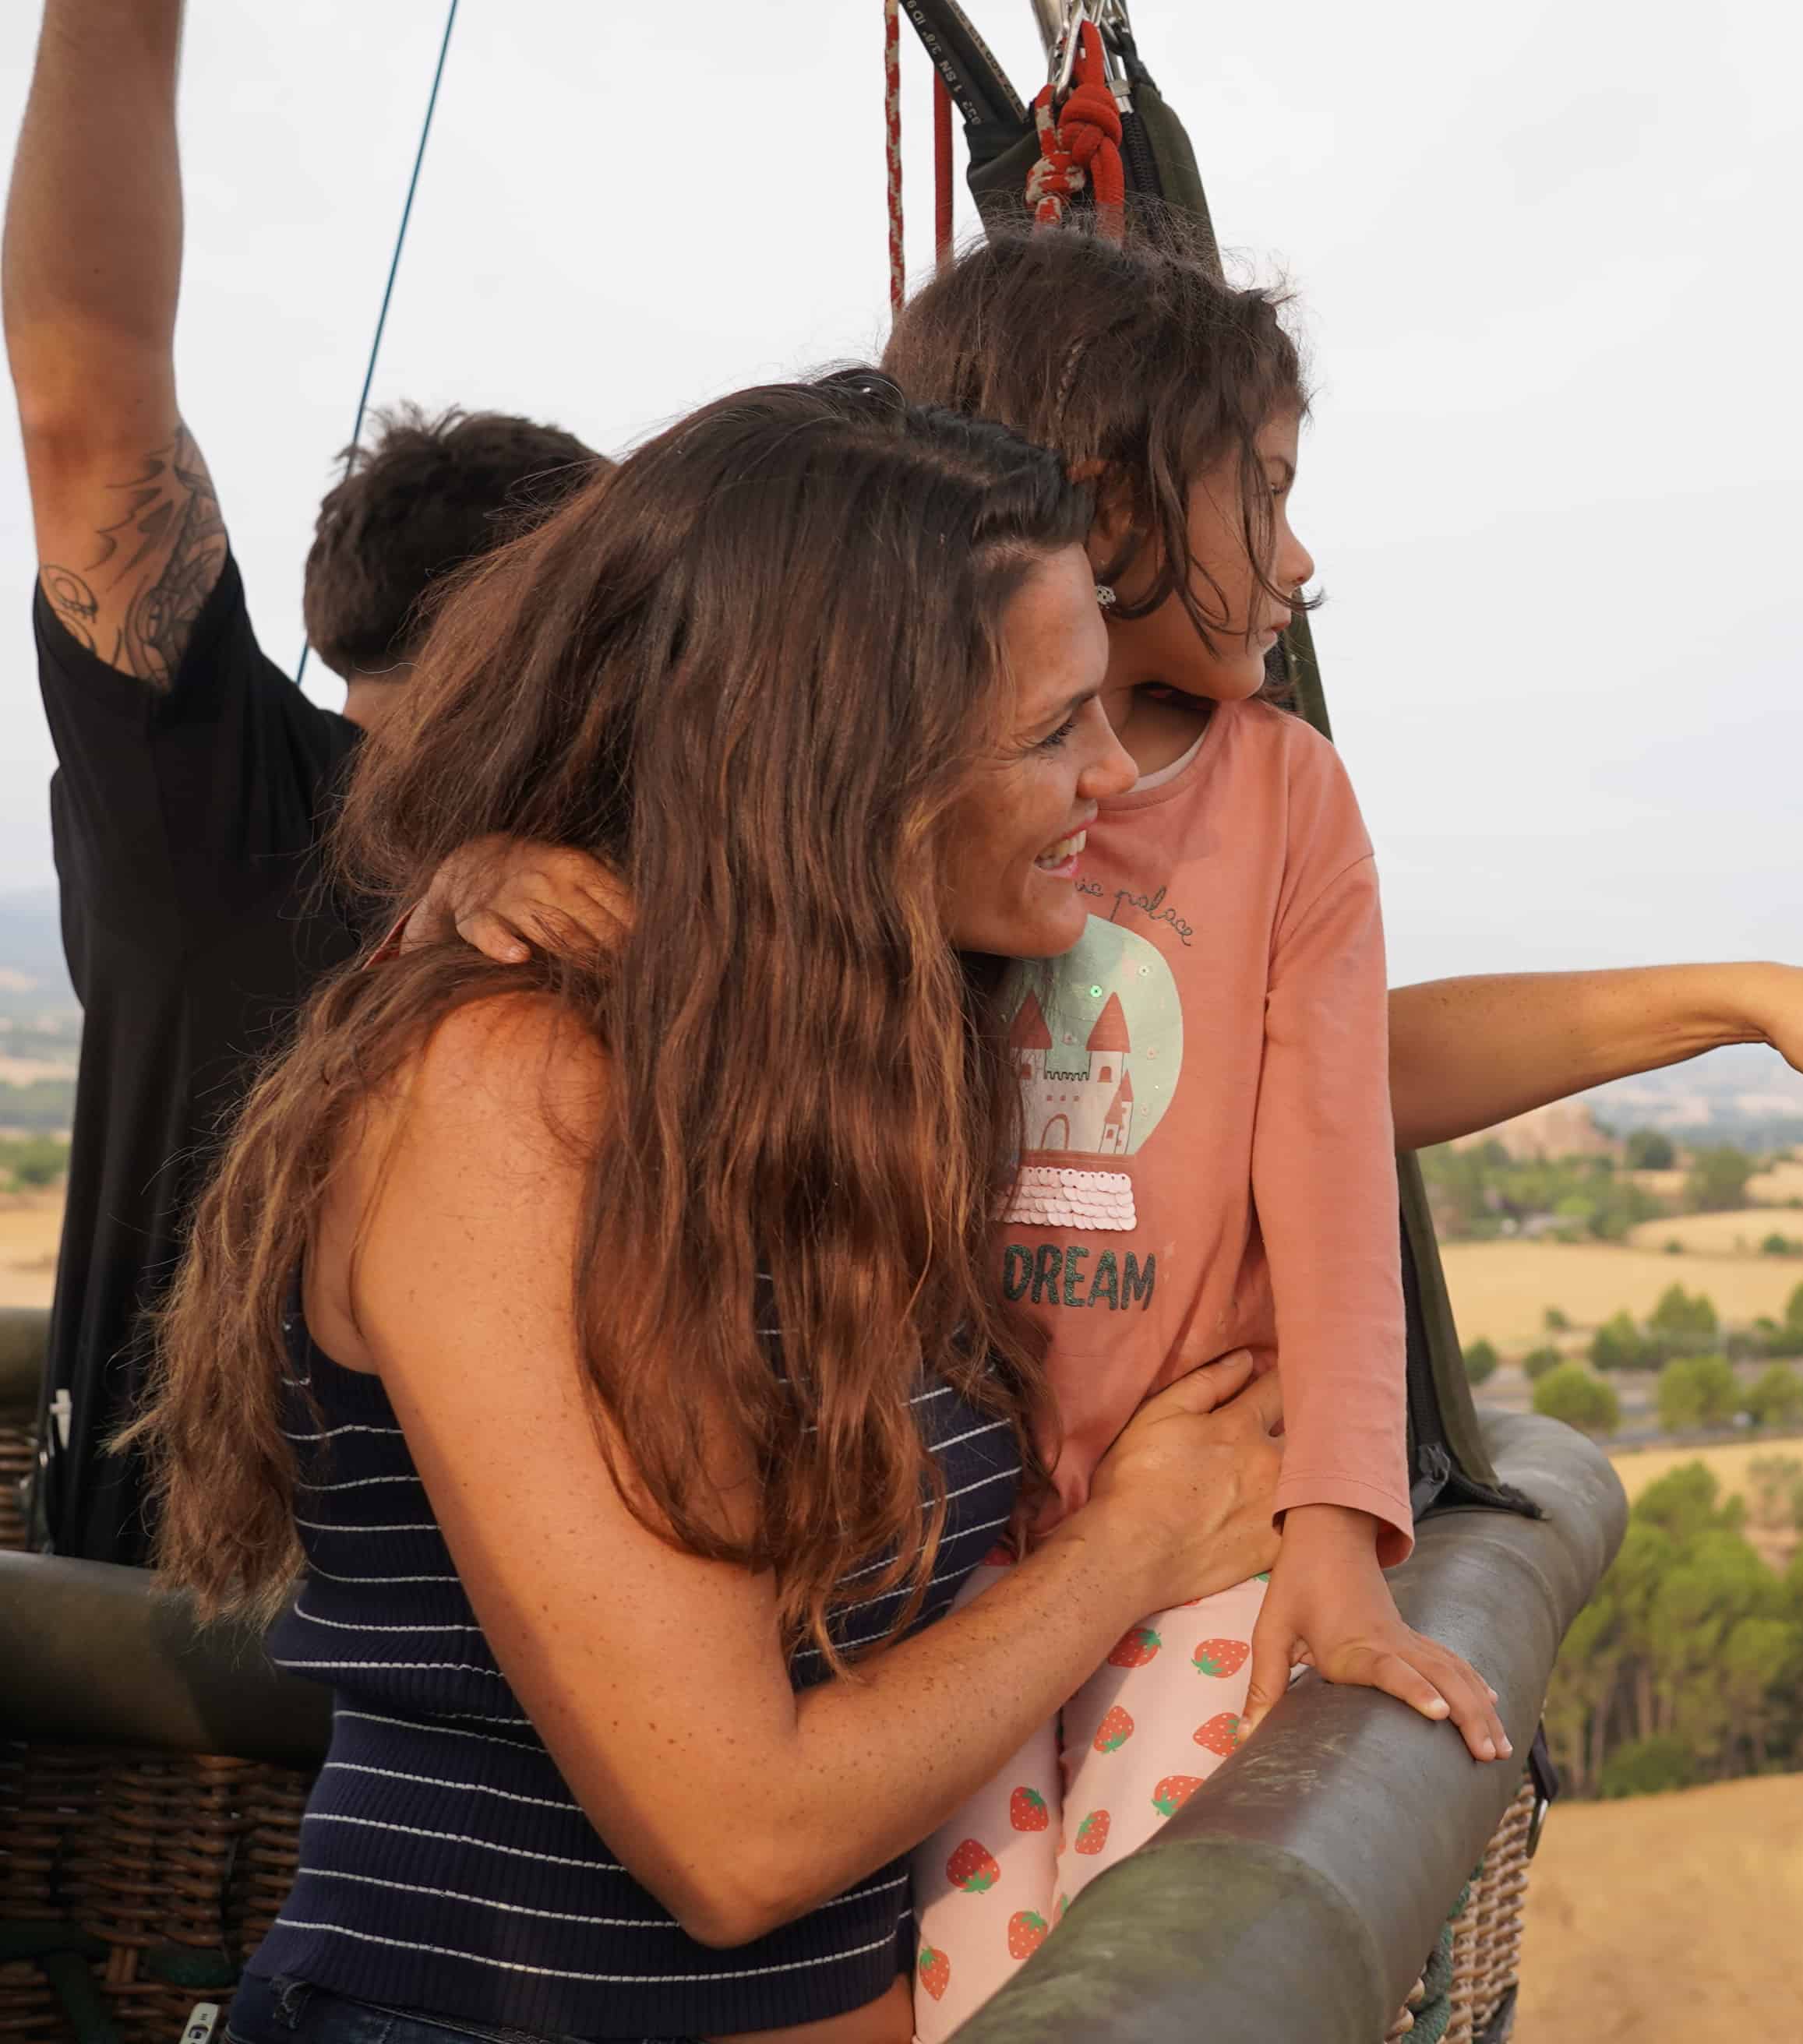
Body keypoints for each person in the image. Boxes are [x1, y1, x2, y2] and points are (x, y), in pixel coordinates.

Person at [433, 224, 1803, 2034]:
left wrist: (1336, 1520)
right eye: (1268, 493)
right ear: (1099, 503)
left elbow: (1326, 1132)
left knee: (1176, 1929)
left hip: (1191, 1510)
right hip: (942, 1545)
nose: (1301, 559)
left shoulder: (1274, 792)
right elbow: (718, 958)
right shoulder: (875, 833)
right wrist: (510, 869)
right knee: (976, 1974)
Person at [126, 372, 1300, 2044]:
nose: (1112, 772)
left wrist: (1716, 1005)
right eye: (1054, 729)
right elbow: (733, 1836)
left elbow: (1305, 1053)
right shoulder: (510, 1095)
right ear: (834, 769)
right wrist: (1137, 1545)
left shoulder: (807, 1080)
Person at [1, 0, 599, 1562]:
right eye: (617, 616)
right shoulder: (229, 819)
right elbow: (84, 382)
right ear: (514, 629)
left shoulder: (617, 898)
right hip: (192, 1687)